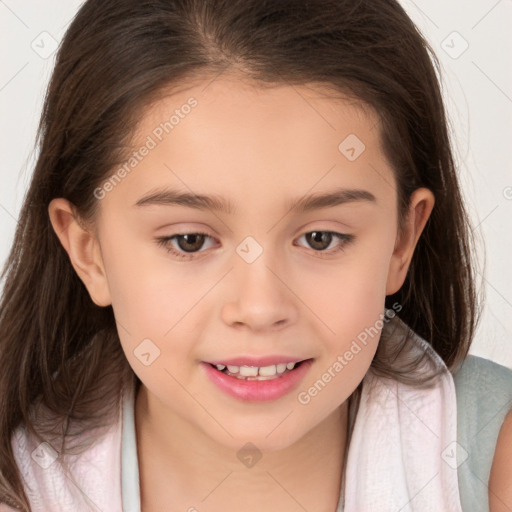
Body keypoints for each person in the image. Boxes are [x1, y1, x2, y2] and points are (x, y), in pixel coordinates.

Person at [0, 0, 511, 511]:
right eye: (190, 241)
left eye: (320, 238)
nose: (260, 307)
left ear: (402, 240)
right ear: (88, 252)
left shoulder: (492, 457)